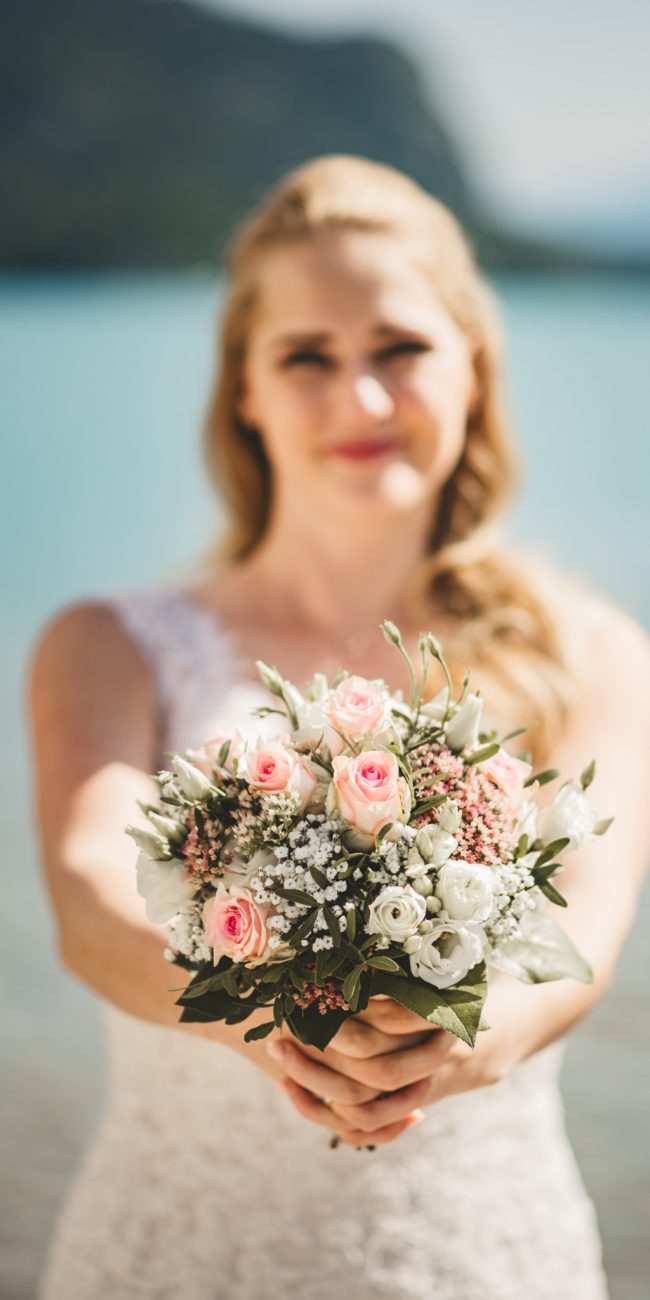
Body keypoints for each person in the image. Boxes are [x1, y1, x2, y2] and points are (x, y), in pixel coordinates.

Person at [28, 154, 650, 1300]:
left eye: (399, 349)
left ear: (473, 366)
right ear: (245, 391)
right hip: (173, 1254)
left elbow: (590, 927)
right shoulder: (104, 646)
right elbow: (85, 894)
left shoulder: (594, 654)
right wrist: (269, 1022)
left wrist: (459, 1044)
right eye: (306, 356)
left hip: (478, 1247)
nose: (359, 400)